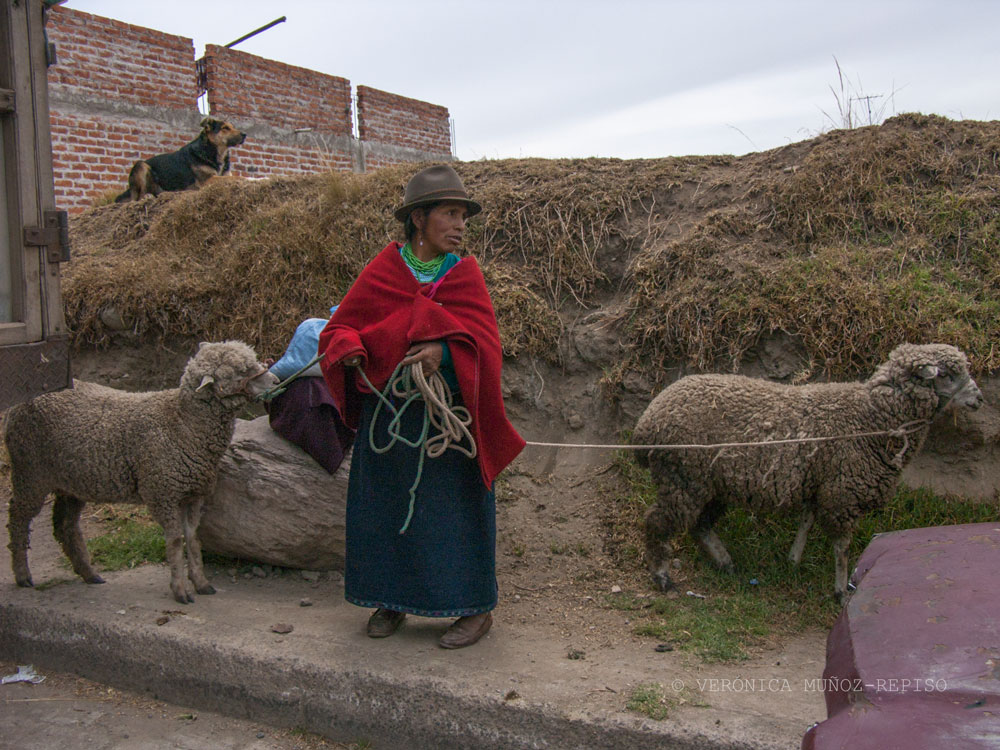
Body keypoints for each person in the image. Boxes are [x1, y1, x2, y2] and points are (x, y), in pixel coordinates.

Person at [318, 164, 524, 649]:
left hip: (447, 422)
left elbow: (485, 345)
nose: (459, 225)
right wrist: (350, 348)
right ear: (418, 218)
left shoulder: (464, 277)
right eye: (449, 214)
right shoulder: (384, 272)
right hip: (389, 418)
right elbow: (340, 328)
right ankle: (389, 598)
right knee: (385, 507)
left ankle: (475, 608)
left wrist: (444, 352)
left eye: (463, 216)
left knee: (455, 512)